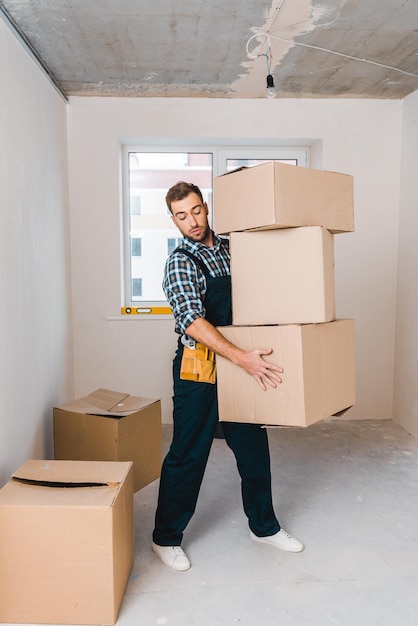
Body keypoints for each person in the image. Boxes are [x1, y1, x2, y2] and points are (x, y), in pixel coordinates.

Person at [152, 181, 303, 571]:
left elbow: (261, 295)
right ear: (173, 220)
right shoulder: (180, 262)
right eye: (182, 216)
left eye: (197, 210)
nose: (193, 221)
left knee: (253, 448)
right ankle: (165, 538)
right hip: (199, 370)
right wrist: (242, 358)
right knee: (189, 453)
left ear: (206, 207)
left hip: (242, 365)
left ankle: (264, 527)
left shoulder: (234, 251)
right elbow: (193, 321)